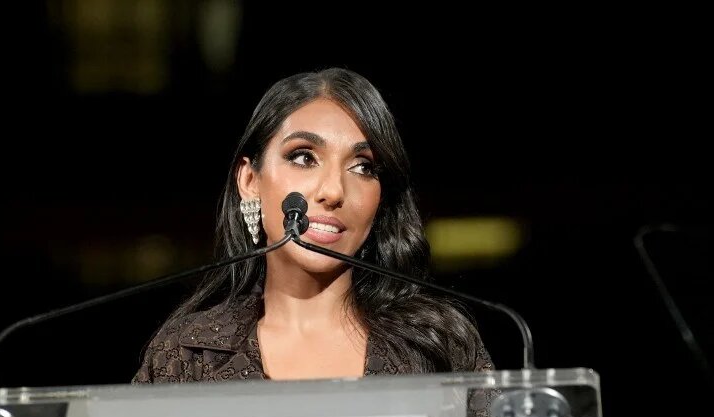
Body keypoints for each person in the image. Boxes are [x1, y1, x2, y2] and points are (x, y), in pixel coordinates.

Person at [133, 67, 492, 384]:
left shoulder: (436, 346)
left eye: (363, 167)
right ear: (250, 180)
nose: (333, 191)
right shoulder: (187, 354)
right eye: (304, 157)